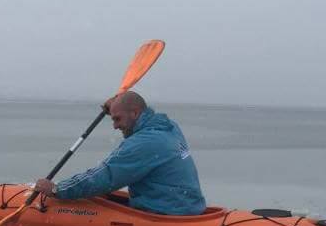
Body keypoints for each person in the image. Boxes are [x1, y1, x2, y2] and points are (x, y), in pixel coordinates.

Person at [35, 92, 206, 215]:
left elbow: (105, 177)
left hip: (166, 213)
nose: (115, 126)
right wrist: (118, 105)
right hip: (188, 206)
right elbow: (134, 107)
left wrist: (58, 189)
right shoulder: (169, 127)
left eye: (117, 119)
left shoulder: (143, 143)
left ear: (135, 113)